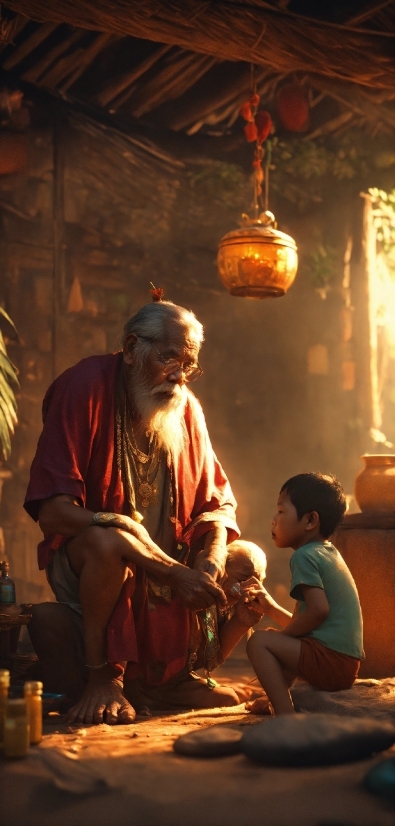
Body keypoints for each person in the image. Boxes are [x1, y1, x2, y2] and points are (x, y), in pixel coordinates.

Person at [24, 296, 260, 724]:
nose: (179, 375)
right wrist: (157, 559)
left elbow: (219, 503)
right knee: (106, 540)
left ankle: (178, 677)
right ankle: (103, 678)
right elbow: (54, 513)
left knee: (248, 557)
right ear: (132, 349)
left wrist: (210, 557)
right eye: (170, 358)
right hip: (93, 559)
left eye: (188, 365)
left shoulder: (185, 406)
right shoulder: (83, 386)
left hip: (171, 559)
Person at [241, 472, 364, 715]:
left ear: (310, 520)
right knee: (278, 639)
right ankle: (274, 700)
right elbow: (311, 627)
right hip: (344, 664)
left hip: (331, 662)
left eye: (281, 511)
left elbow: (319, 611)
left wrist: (283, 637)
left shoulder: (304, 556)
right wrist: (272, 609)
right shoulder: (327, 552)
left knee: (258, 642)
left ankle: (285, 714)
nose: (274, 520)